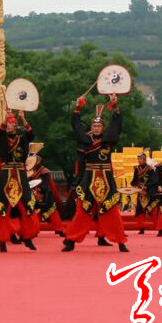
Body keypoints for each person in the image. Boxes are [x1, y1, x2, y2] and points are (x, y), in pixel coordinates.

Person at [62, 96, 128, 253]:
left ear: (103, 128)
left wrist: (115, 106)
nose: (97, 128)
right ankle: (71, 240)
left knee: (112, 211)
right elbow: (76, 126)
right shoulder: (85, 140)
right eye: (94, 125)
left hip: (106, 178)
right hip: (89, 177)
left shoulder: (108, 140)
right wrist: (78, 108)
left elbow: (117, 125)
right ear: (91, 127)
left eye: (99, 126)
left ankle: (120, 241)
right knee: (82, 211)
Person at [0, 111, 37, 252]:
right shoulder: (1, 138)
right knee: (3, 207)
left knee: (27, 204)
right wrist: (5, 119)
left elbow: (31, 135)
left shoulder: (22, 139)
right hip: (6, 173)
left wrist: (23, 118)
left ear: (16, 126)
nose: (9, 126)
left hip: (20, 173)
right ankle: (3, 241)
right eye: (8, 123)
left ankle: (27, 238)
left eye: (12, 123)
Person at [29, 152, 64, 234]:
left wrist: (39, 189)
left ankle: (59, 229)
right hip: (33, 194)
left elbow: (46, 185)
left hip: (45, 195)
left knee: (52, 212)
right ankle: (33, 230)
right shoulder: (28, 171)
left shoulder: (44, 171)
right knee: (34, 213)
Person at [131, 152, 159, 235]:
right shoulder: (137, 169)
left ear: (144, 159)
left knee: (153, 210)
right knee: (140, 211)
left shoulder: (150, 169)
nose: (139, 160)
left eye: (140, 159)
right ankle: (141, 228)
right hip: (141, 192)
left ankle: (159, 228)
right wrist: (134, 185)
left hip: (149, 192)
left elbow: (153, 180)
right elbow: (134, 180)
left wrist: (146, 186)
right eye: (138, 159)